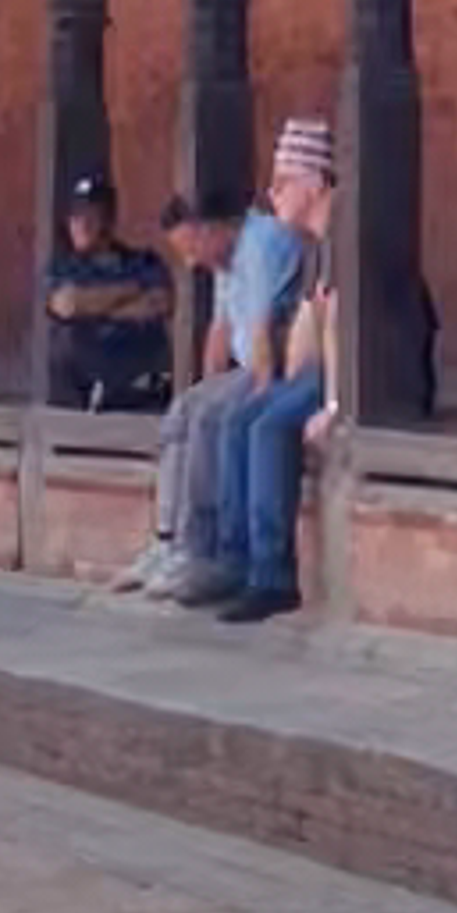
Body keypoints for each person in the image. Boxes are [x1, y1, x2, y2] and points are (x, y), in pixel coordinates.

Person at [116, 161, 316, 595]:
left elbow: (263, 328)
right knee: (184, 410)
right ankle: (167, 540)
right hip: (247, 364)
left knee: (214, 418)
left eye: (190, 247)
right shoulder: (226, 261)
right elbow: (221, 330)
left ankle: (202, 550)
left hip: (277, 365)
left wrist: (257, 395)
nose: (188, 261)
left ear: (210, 230)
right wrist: (202, 388)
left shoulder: (262, 243)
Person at [177, 122, 338, 625]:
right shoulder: (314, 246)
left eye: (281, 184)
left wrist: (333, 404)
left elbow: (338, 328)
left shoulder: (342, 237)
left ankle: (272, 575)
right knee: (240, 419)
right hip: (312, 370)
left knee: (267, 425)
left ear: (311, 186)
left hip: (343, 377)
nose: (272, 196)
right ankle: (233, 559)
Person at [44, 171, 176, 417]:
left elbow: (161, 303)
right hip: (81, 390)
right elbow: (68, 305)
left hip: (137, 382)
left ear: (108, 220)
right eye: (74, 216)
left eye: (89, 216)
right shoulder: (63, 266)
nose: (80, 224)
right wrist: (131, 290)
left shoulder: (141, 261)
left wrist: (93, 308)